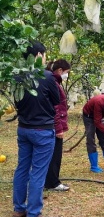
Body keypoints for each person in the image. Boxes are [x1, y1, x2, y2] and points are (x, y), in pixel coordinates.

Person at [12, 41, 60, 217]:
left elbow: (17, 102)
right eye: (45, 54)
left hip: (24, 128)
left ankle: (19, 209)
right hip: (42, 130)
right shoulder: (47, 76)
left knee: (22, 168)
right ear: (39, 55)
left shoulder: (16, 76)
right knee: (38, 172)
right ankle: (33, 214)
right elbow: (56, 100)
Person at [44, 59, 71, 192]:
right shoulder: (53, 83)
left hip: (50, 124)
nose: (66, 75)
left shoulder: (51, 81)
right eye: (66, 72)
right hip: (54, 125)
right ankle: (53, 182)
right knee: (55, 154)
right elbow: (55, 107)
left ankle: (48, 180)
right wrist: (59, 128)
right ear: (60, 71)